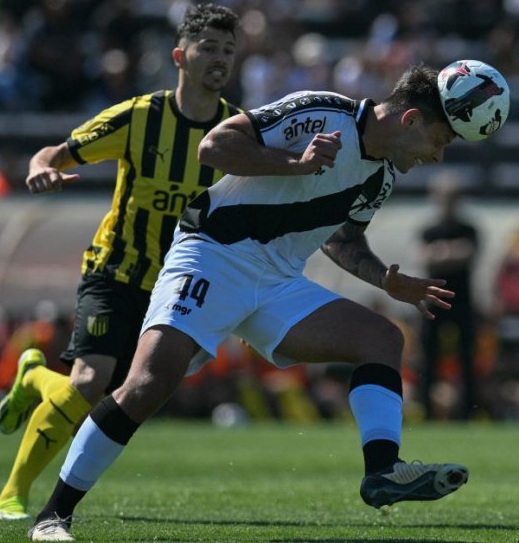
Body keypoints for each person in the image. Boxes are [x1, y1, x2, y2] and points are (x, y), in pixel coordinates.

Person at [28, 62, 495, 541]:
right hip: (214, 253)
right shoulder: (322, 112)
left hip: (277, 279)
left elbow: (342, 241)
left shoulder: (381, 178)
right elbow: (214, 146)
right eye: (440, 141)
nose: (437, 157)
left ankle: (382, 472)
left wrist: (386, 281)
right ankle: (52, 515)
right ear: (411, 120)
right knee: (150, 382)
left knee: (380, 338)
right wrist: (294, 164)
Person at [0, 2, 241, 521]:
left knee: (114, 396)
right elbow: (53, 153)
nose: (219, 59)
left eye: (228, 51)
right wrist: (41, 170)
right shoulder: (139, 117)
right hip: (115, 270)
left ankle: (34, 376)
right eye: (208, 48)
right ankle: (10, 496)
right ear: (180, 55)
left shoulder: (237, 131)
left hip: (172, 290)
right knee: (88, 382)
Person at [415, 171, 481, 420]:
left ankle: (468, 413)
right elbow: (423, 255)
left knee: (467, 358)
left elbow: (469, 253)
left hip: (462, 301)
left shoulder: (469, 228)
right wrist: (452, 252)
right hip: (433, 301)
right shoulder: (428, 230)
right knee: (429, 359)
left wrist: (441, 253)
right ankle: (427, 412)